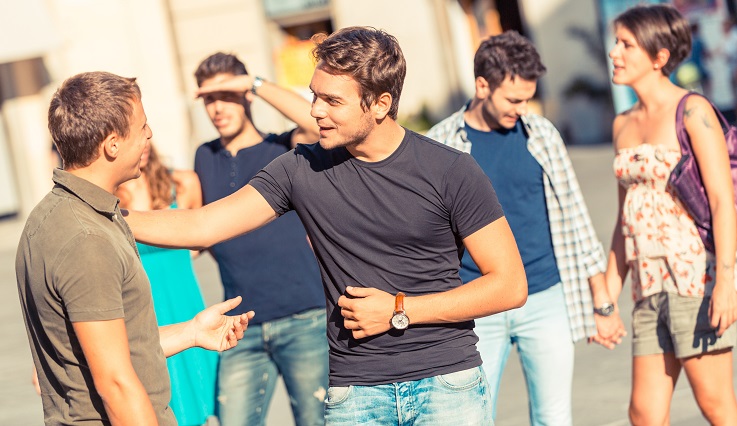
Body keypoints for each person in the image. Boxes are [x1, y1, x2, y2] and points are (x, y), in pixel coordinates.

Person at [125, 26, 527, 425]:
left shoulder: (451, 170)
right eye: (314, 95)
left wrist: (399, 310)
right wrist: (99, 210)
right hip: (355, 393)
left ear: (380, 104)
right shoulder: (300, 169)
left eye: (331, 100)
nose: (315, 110)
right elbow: (201, 225)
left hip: (447, 384)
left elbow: (509, 284)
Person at [16, 71, 253, 426]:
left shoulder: (56, 215)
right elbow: (117, 384)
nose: (149, 135)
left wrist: (191, 331)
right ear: (112, 144)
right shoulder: (87, 238)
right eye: (142, 126)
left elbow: (110, 348)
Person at [426, 30, 626, 425]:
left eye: (527, 98)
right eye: (513, 99)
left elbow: (576, 217)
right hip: (475, 303)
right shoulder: (440, 144)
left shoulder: (542, 135)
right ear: (482, 85)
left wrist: (602, 302)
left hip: (546, 297)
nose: (522, 108)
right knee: (469, 417)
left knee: (554, 417)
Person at [606, 5, 737, 424]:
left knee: (716, 406)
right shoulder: (621, 124)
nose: (615, 53)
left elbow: (722, 199)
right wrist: (607, 296)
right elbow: (624, 214)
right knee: (643, 413)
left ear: (659, 57)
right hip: (647, 285)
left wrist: (727, 282)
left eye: (627, 44)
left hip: (693, 279)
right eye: (616, 43)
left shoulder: (693, 110)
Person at [192, 52, 328, 426]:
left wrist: (252, 82)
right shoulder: (204, 157)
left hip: (305, 316)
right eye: (209, 98)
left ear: (245, 95)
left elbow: (317, 125)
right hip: (239, 325)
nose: (218, 107)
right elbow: (198, 231)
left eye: (227, 94)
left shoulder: (284, 146)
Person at [116, 143, 218, 426]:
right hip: (145, 308)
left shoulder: (182, 183)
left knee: (199, 397)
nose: (142, 144)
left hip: (184, 300)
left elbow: (200, 237)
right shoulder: (109, 197)